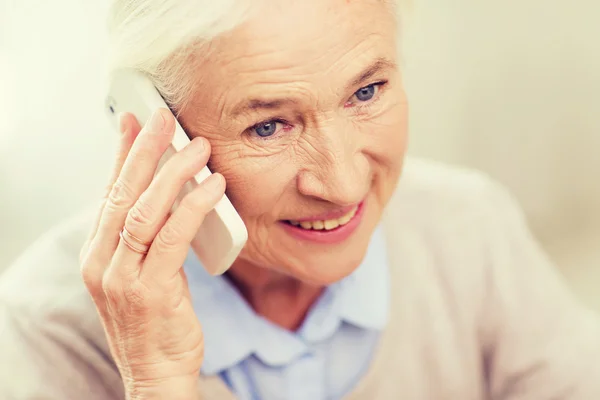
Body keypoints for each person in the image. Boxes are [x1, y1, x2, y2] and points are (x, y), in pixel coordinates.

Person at [1, 0, 599, 399]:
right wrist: (157, 382)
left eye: (367, 91)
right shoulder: (44, 332)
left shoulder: (470, 232)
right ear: (157, 132)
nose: (340, 185)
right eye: (268, 127)